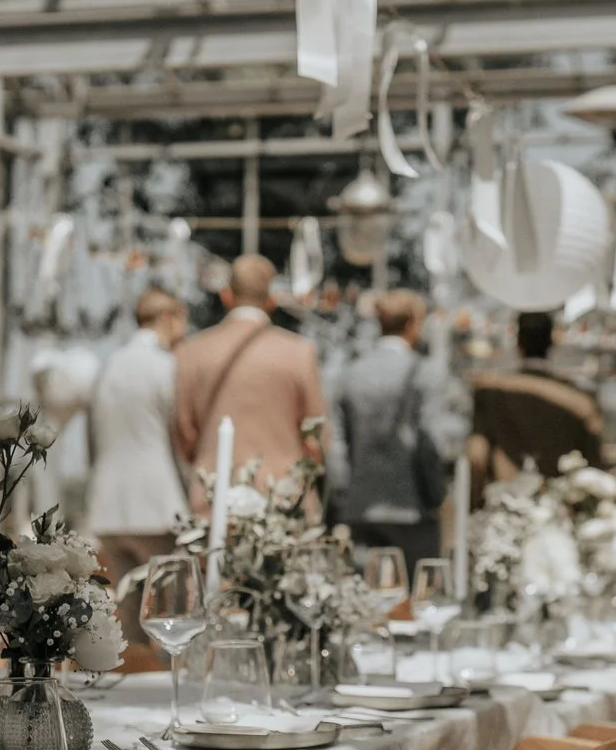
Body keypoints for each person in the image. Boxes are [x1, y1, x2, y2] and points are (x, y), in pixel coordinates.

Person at [172, 254, 326, 512]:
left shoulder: (191, 352)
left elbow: (183, 432)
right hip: (284, 498)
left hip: (214, 499)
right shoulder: (299, 352)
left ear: (226, 295)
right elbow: (317, 434)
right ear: (272, 299)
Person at [329, 289, 470, 569]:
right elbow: (432, 440)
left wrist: (344, 497)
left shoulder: (351, 373)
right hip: (412, 505)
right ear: (411, 324)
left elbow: (337, 445)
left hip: (362, 504)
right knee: (418, 595)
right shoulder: (426, 373)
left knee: (366, 597)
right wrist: (436, 494)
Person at [88, 287, 193, 622]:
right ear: (167, 317)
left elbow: (94, 438)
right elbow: (180, 434)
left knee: (129, 620)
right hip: (156, 506)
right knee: (170, 614)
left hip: (108, 507)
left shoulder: (109, 366)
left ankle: (133, 675)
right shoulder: (166, 366)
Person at [471, 309, 604, 481]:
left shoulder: (490, 392)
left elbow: (477, 456)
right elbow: (594, 460)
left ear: (518, 342)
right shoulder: (581, 398)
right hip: (561, 497)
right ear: (551, 342)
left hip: (504, 496)